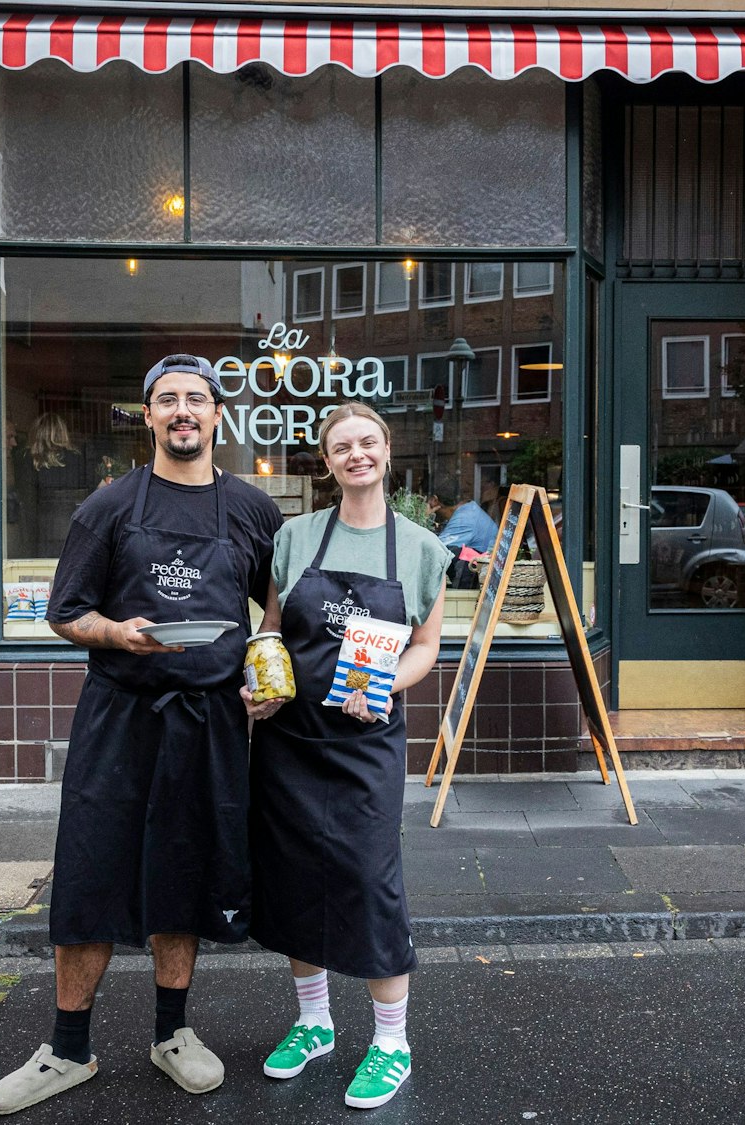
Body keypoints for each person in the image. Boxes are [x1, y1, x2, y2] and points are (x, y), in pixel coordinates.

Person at [0, 355, 283, 1115]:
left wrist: (262, 663)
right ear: (147, 416)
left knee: (183, 872)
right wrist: (116, 631)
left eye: (195, 398)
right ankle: (68, 1047)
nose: (182, 411)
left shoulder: (252, 510)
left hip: (211, 720)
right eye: (167, 400)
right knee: (91, 870)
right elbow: (63, 612)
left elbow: (275, 608)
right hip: (119, 715)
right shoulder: (109, 506)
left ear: (218, 415)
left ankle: (172, 1033)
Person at [242, 402, 451, 1111]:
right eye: (341, 447)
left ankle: (391, 1041)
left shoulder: (421, 548)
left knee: (367, 878)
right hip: (290, 739)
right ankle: (314, 1022)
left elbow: (427, 644)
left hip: (364, 742)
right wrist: (259, 688)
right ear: (326, 460)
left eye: (367, 442)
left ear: (387, 449)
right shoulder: (295, 536)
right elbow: (271, 628)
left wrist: (389, 678)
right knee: (295, 875)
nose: (356, 454)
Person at [434, 476, 501, 556]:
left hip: (482, 566)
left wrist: (425, 518)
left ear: (435, 501)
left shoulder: (464, 518)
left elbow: (436, 552)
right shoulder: (468, 508)